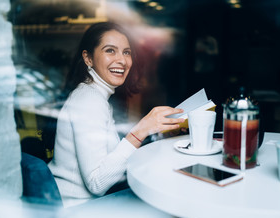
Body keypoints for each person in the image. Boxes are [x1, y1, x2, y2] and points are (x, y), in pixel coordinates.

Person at [48, 22, 184, 207]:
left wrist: (151, 134)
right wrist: (140, 131)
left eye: (126, 52)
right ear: (88, 58)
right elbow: (97, 183)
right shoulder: (89, 101)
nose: (121, 60)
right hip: (79, 210)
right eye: (110, 50)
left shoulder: (95, 95)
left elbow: (110, 158)